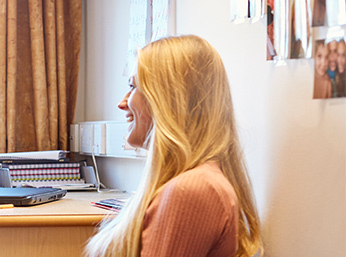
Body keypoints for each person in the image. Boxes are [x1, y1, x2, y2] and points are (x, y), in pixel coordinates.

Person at [83, 35, 262, 256]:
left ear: (167, 99)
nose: (122, 103)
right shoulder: (187, 184)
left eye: (132, 87)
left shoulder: (193, 190)